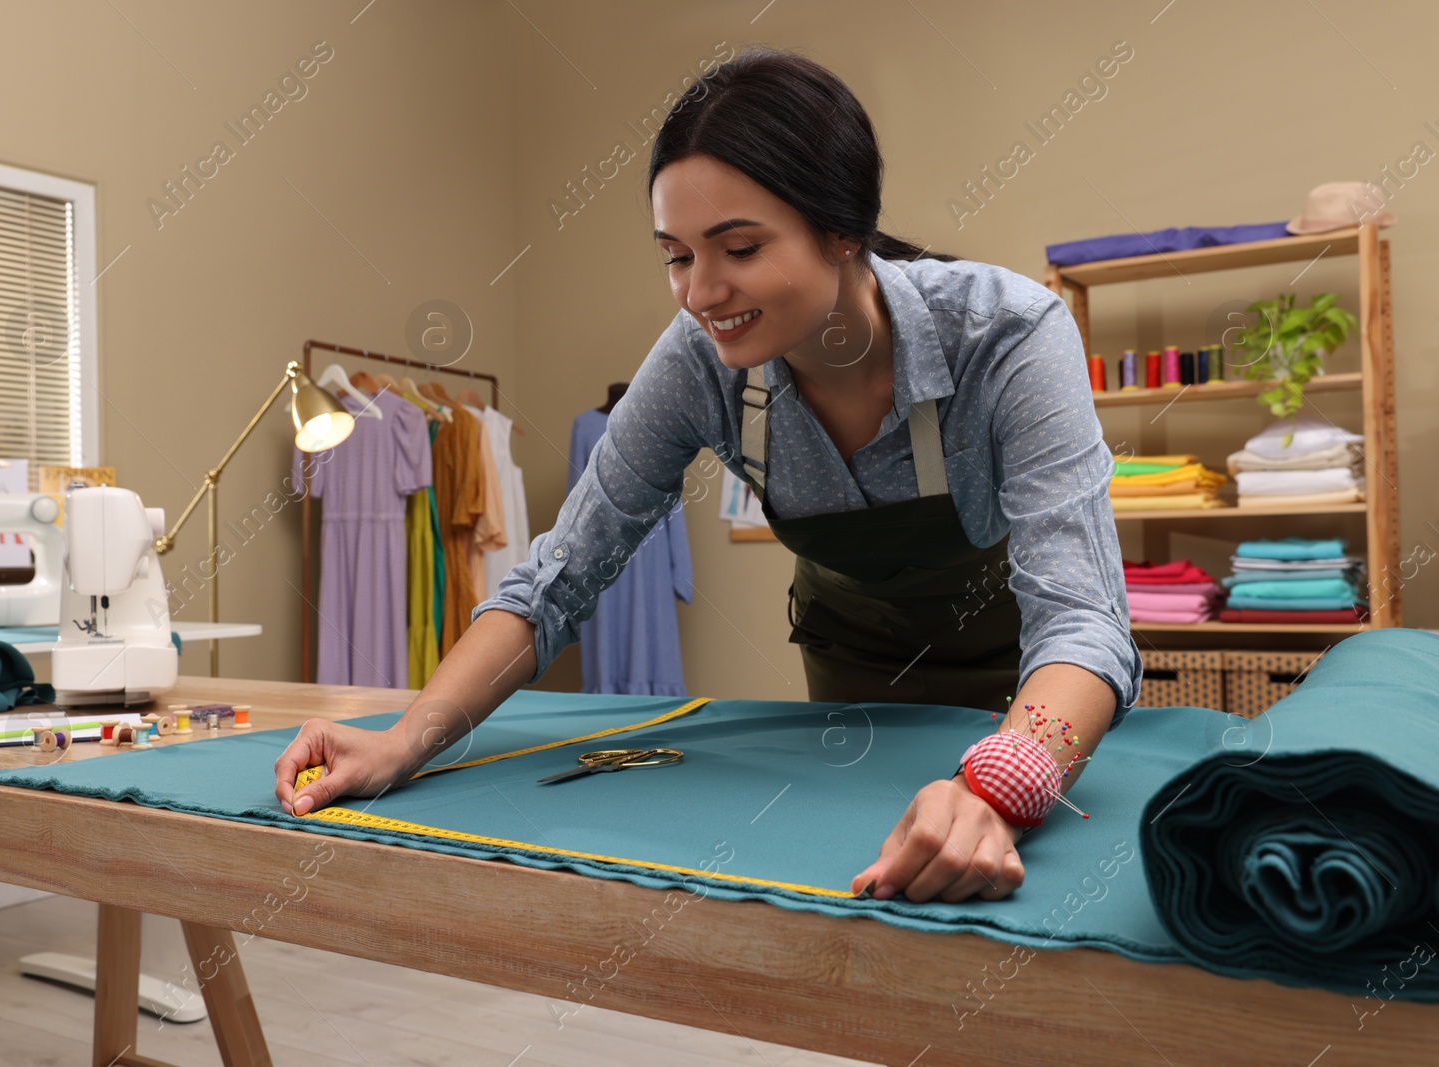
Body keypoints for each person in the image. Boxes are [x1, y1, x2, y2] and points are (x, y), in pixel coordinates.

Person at [276, 46, 1142, 905]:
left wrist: (999, 787)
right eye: (677, 255)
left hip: (1032, 694)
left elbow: (1083, 620)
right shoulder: (700, 360)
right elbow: (557, 580)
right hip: (848, 702)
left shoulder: (1010, 335)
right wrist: (402, 742)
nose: (700, 293)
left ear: (844, 229)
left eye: (738, 247)